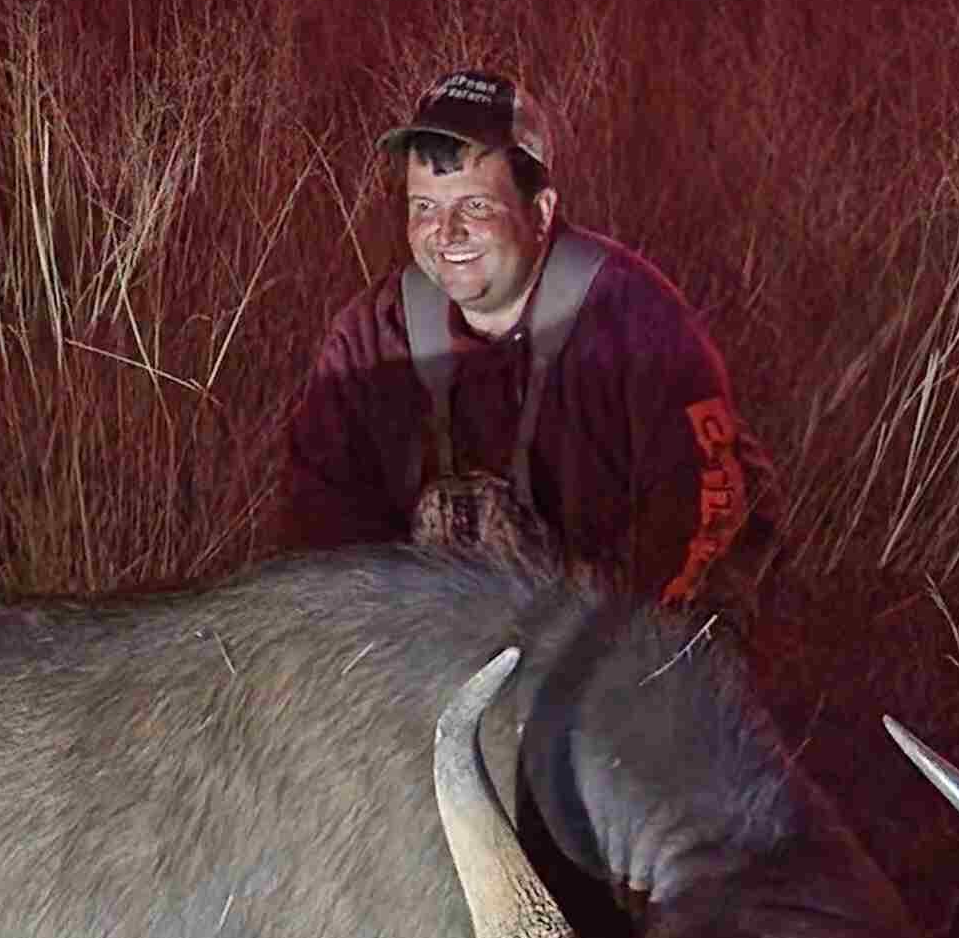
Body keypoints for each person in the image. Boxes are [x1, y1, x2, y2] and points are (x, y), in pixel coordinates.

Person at [281, 67, 769, 611]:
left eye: (475, 205)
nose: (446, 234)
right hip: (423, 654)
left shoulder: (636, 326)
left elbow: (715, 526)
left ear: (540, 212)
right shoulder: (371, 338)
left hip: (608, 647)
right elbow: (316, 532)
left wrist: (622, 653)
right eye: (425, 207)